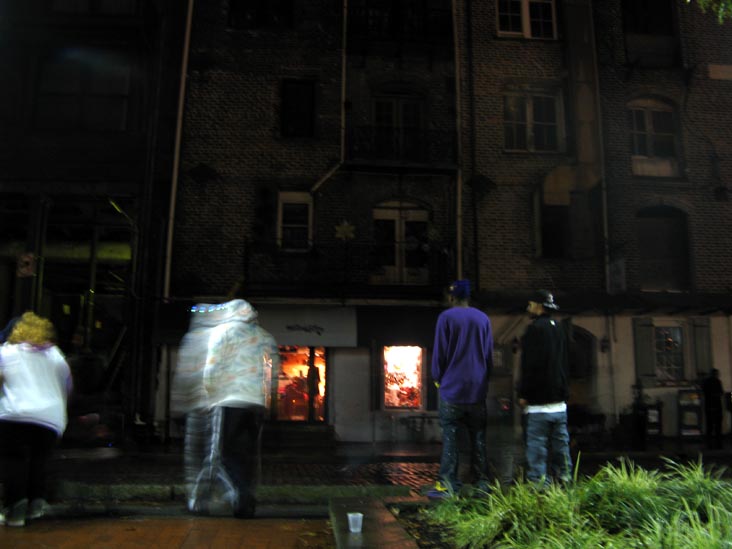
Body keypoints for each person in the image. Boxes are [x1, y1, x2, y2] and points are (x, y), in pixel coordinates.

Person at [171, 299, 278, 518]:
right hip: (255, 404)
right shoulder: (264, 336)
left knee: (222, 452)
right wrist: (267, 399)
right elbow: (273, 370)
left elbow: (212, 367)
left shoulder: (223, 332)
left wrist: (211, 396)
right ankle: (246, 500)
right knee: (247, 453)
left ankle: (217, 498)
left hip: (228, 401)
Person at [0, 311, 73, 527]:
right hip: (50, 418)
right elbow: (68, 385)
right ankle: (36, 502)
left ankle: (15, 507)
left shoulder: (6, 351)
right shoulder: (55, 354)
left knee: (14, 459)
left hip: (15, 414)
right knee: (39, 460)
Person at [428, 279, 494, 498]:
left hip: (452, 389)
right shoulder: (483, 319)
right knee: (478, 437)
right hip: (477, 388)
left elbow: (440, 352)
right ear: (469, 297)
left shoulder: (446, 318)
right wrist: (485, 380)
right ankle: (483, 482)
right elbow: (488, 354)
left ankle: (448, 483)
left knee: (451, 436)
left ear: (452, 297)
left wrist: (438, 379)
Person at [518, 289, 572, 485]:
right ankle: (565, 479)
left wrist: (523, 393)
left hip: (538, 404)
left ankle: (540, 486)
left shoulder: (534, 330)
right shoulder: (558, 328)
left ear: (539, 306)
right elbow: (565, 362)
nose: (528, 308)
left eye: (531, 304)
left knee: (537, 447)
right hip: (559, 403)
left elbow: (529, 365)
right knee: (560, 446)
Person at [702, 368, 724, 449]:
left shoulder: (705, 382)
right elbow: (721, 393)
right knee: (718, 424)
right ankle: (718, 441)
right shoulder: (718, 382)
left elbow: (703, 392)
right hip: (717, 405)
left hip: (708, 405)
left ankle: (709, 441)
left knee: (709, 424)